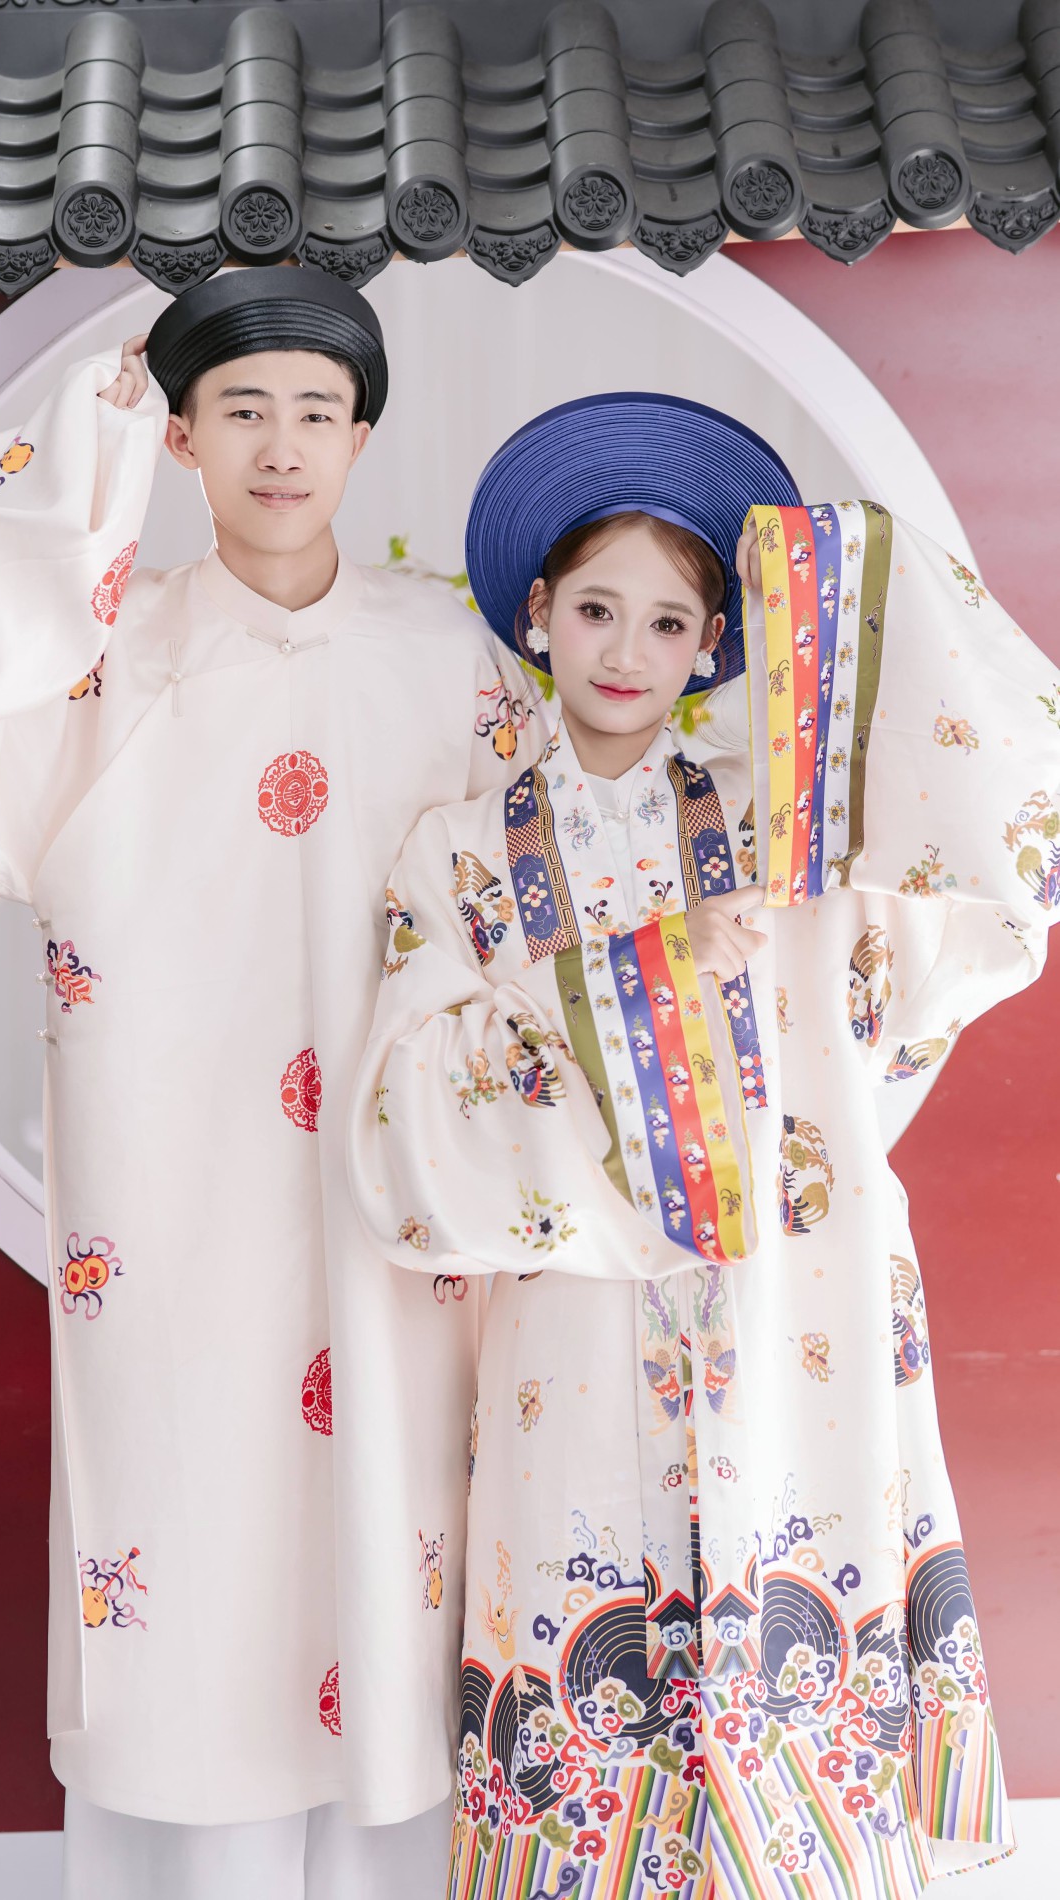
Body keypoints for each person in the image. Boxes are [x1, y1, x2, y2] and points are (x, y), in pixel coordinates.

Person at [0, 268, 548, 1899]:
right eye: (240, 408)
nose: (283, 446)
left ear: (364, 436)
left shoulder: (458, 662)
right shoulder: (106, 656)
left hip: (399, 1202)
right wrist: (89, 438)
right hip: (171, 1207)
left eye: (318, 411)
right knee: (189, 1540)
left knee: (398, 1537)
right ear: (184, 438)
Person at [349, 392, 1060, 1898]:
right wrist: (654, 983)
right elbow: (411, 1114)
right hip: (573, 1333)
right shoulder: (456, 854)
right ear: (536, 615)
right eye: (595, 608)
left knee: (787, 1636)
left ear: (713, 647)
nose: (626, 650)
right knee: (588, 1630)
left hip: (790, 1309)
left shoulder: (788, 838)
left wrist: (851, 572)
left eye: (670, 622)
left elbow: (983, 871)